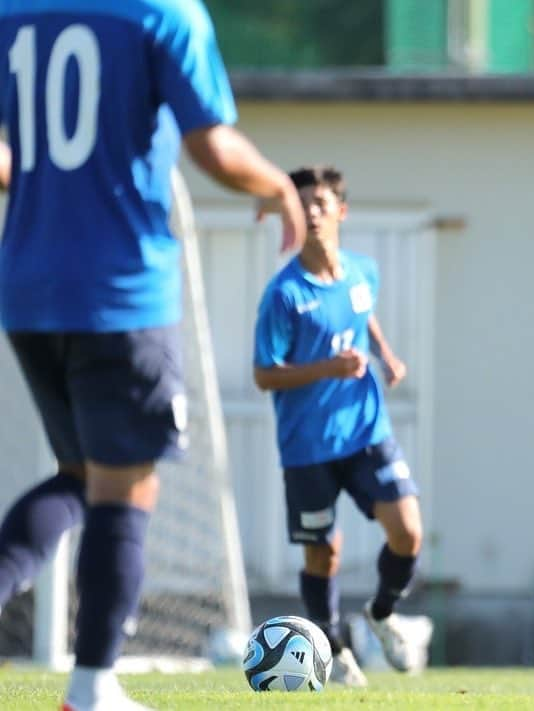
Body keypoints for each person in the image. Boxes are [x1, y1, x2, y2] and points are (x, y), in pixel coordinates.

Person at [0, 1, 305, 709]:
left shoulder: (16, 10)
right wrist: (279, 185)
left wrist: (45, 184)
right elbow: (213, 148)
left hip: (29, 288)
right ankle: (93, 686)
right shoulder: (161, 12)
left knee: (80, 475)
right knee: (124, 486)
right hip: (119, 292)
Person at [253, 165, 426, 687]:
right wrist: (329, 367)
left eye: (320, 204)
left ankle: (381, 611)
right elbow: (264, 373)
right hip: (307, 445)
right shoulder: (283, 294)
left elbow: (361, 311)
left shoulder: (360, 271)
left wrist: (385, 353)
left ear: (340, 212)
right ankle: (334, 649)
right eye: (301, 204)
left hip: (366, 432)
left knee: (408, 532)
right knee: (324, 552)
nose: (310, 213)